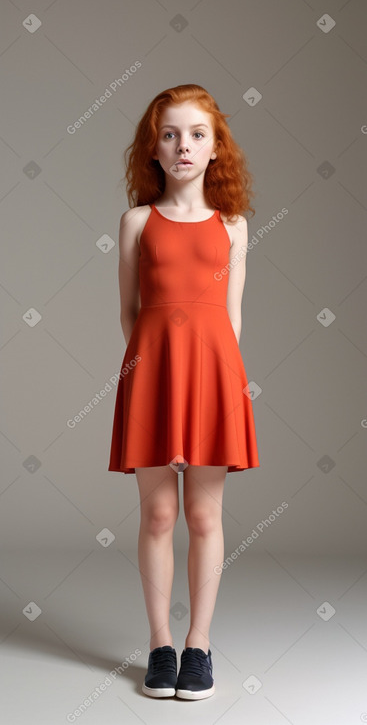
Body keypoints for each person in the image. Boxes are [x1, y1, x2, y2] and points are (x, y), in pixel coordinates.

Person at [108, 84, 260, 700]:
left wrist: (215, 382)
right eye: (170, 134)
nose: (183, 146)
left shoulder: (234, 227)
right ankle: (159, 645)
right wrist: (153, 371)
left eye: (197, 134)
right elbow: (129, 312)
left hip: (215, 378)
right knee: (159, 513)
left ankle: (198, 644)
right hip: (151, 375)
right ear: (154, 147)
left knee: (202, 514)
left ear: (217, 147)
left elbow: (233, 318)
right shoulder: (137, 222)